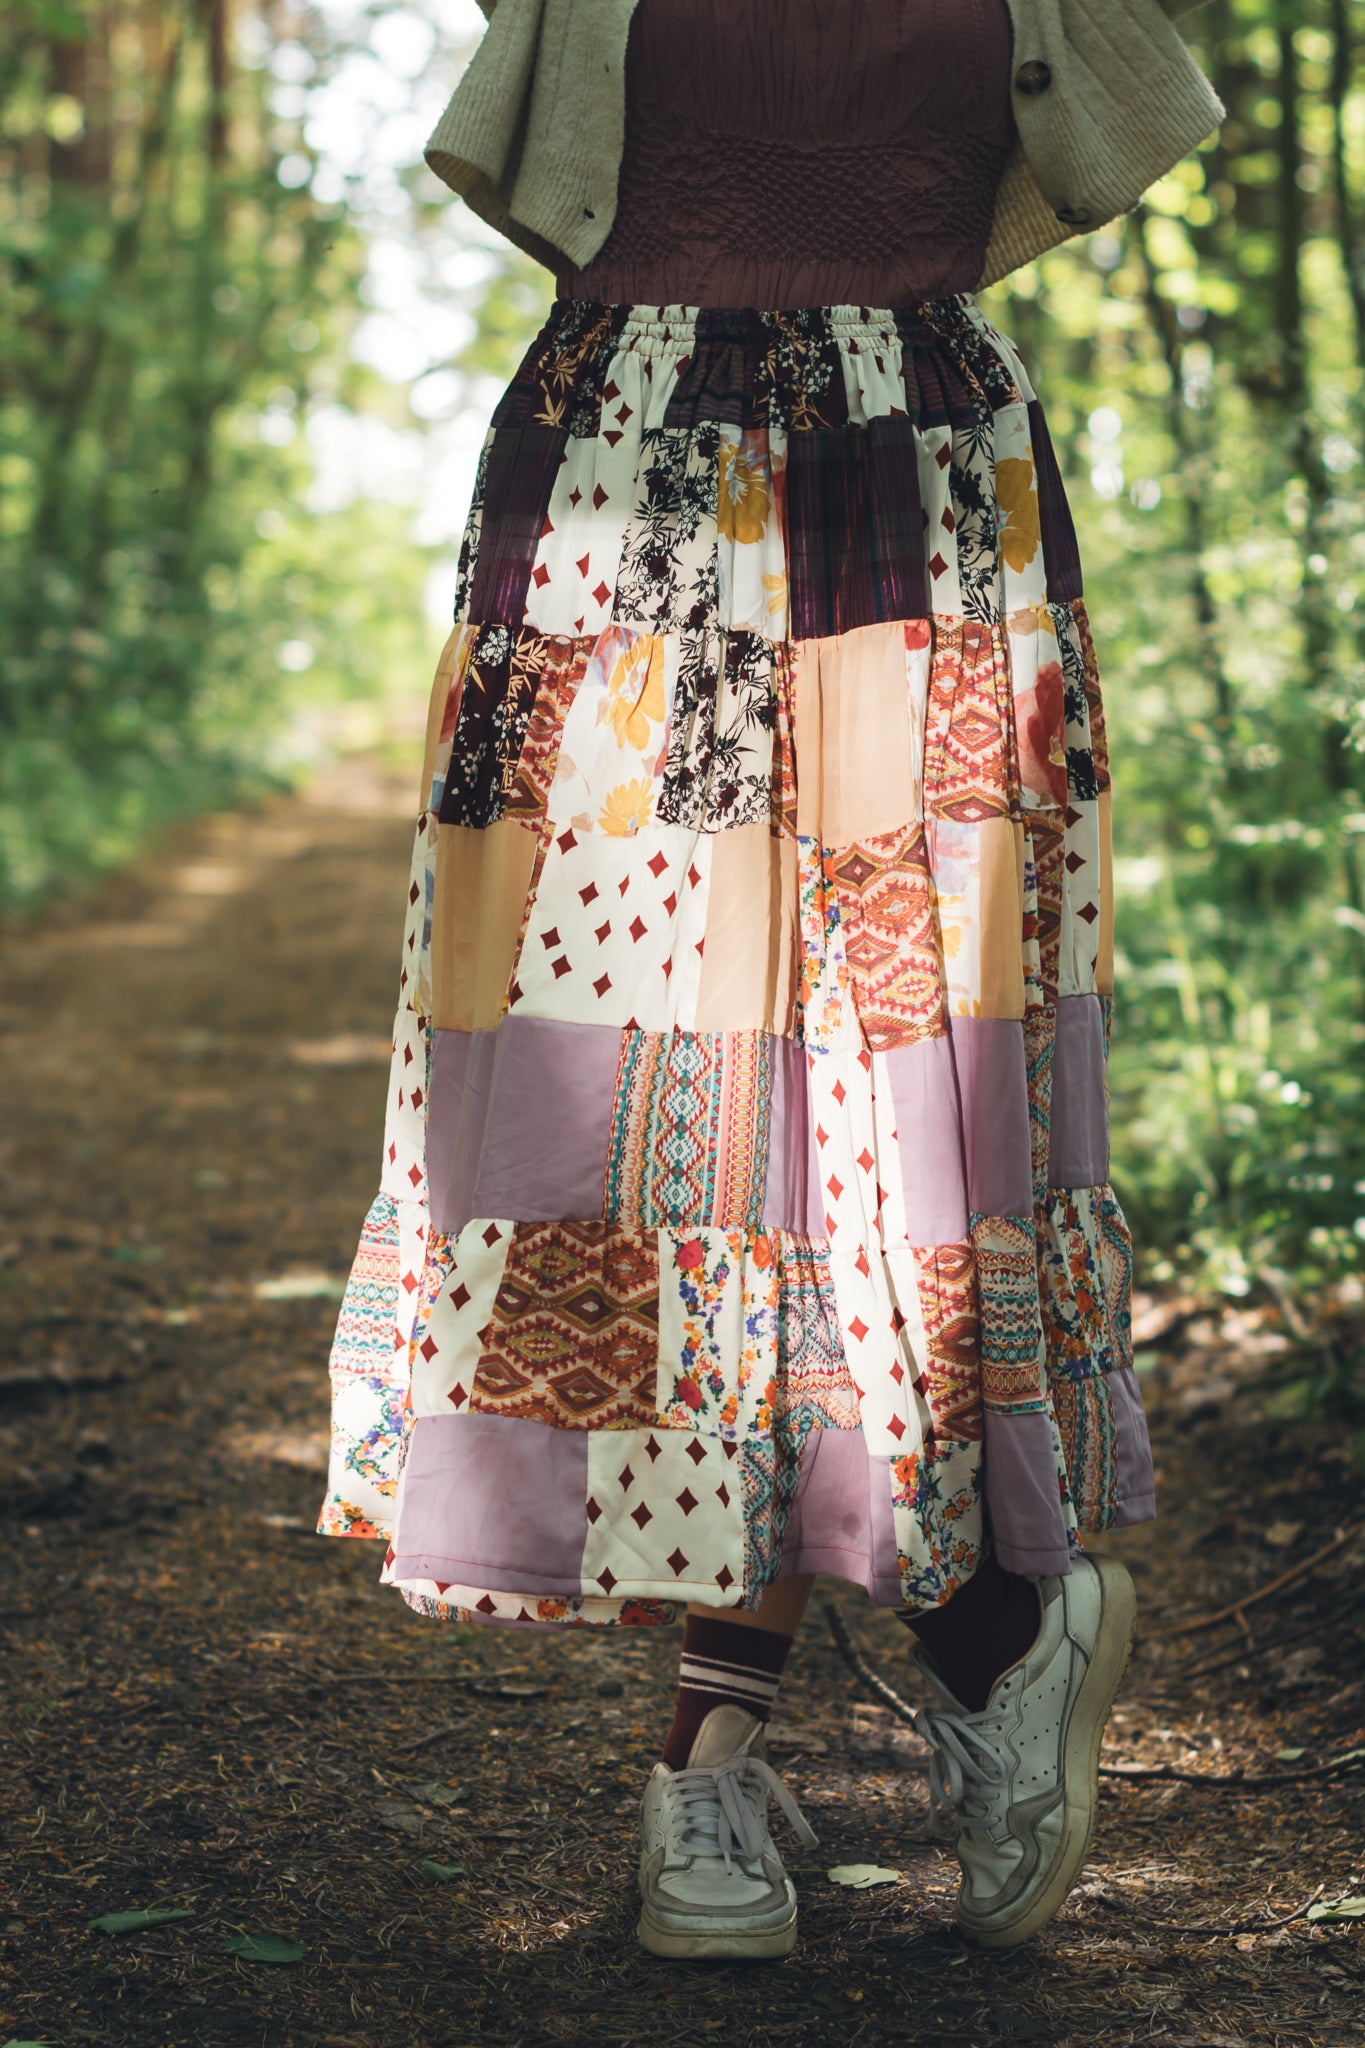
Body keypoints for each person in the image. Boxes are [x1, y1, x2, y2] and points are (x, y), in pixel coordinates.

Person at [318, 0, 1223, 1962]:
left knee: (891, 1112)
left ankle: (720, 1747)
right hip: (618, 495)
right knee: (645, 1121)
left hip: (923, 487)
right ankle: (973, 1634)